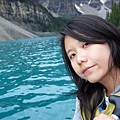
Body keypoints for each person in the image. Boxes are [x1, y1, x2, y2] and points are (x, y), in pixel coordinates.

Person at [60, 15, 120, 120]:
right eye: (72, 55)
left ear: (109, 40)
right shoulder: (85, 98)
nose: (79, 59)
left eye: (86, 44)